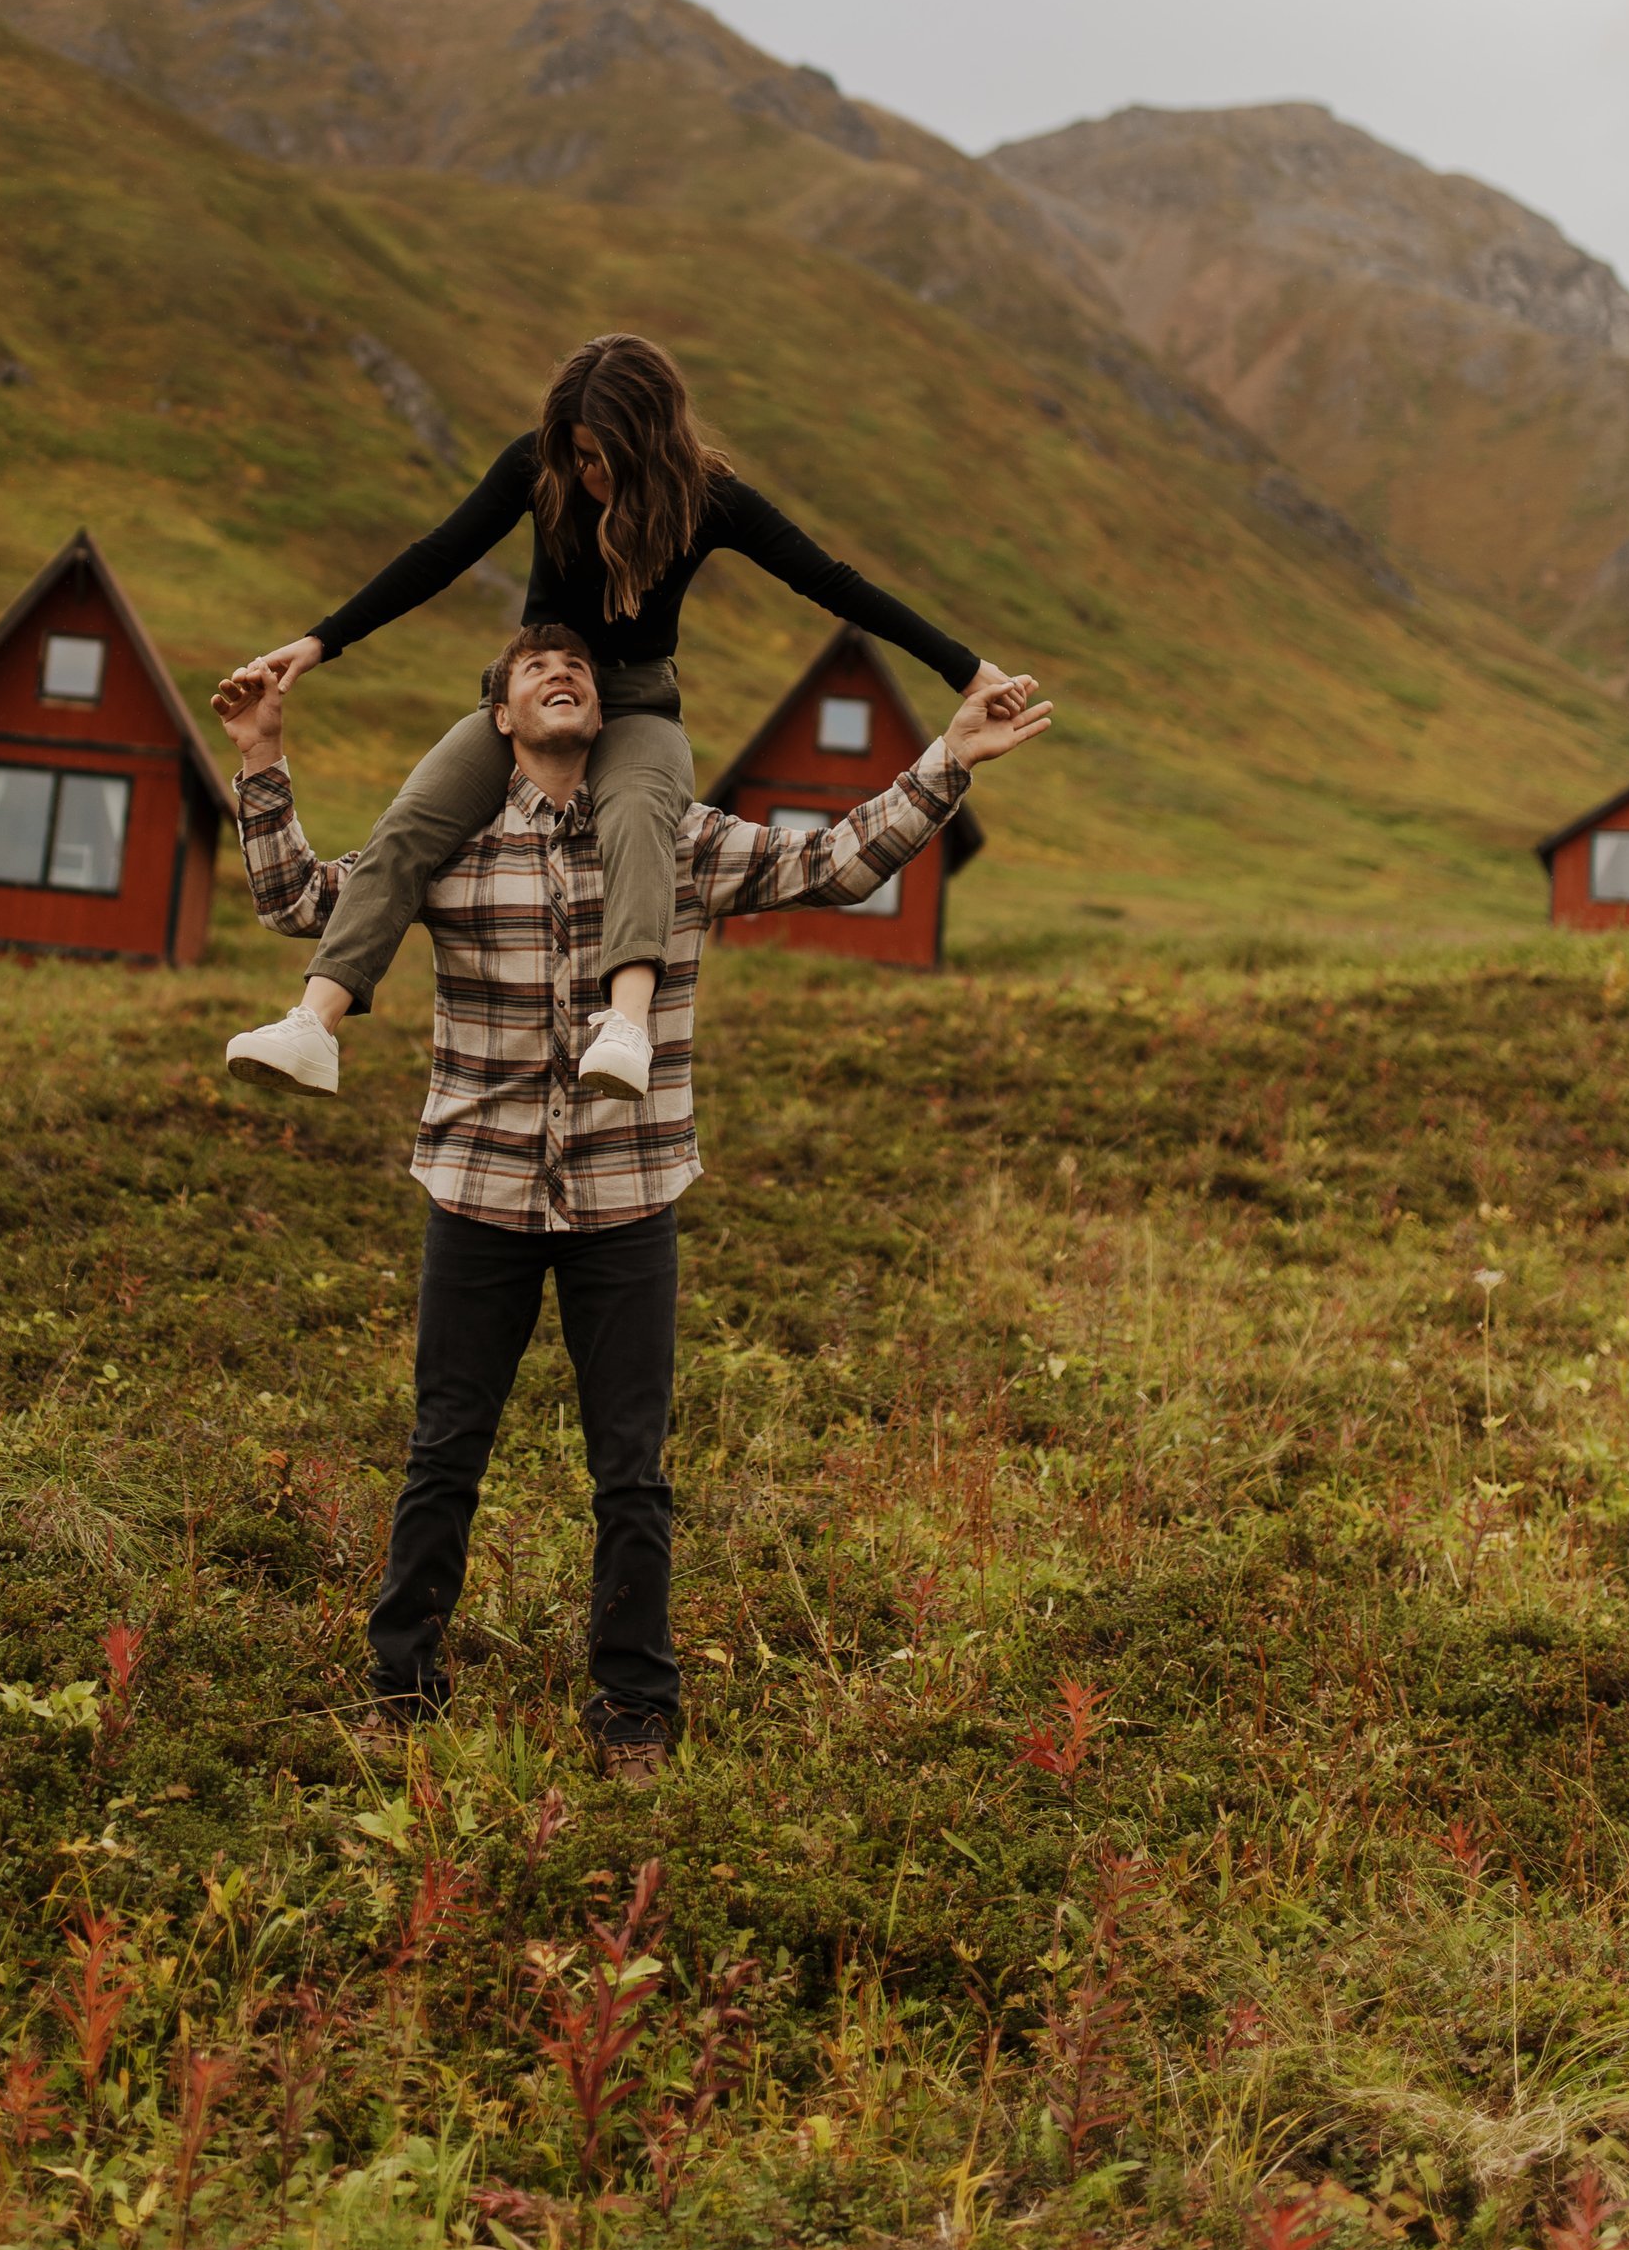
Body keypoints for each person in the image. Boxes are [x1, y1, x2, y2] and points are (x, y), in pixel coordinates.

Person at [210, 621, 1051, 1782]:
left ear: (606, 709)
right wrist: (261, 754)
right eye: (530, 669)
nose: (561, 673)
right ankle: (400, 1691)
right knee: (444, 1452)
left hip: (626, 1198)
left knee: (633, 1468)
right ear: (499, 716)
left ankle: (633, 1713)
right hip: (478, 1193)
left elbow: (838, 862)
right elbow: (302, 902)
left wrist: (948, 755)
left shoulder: (677, 841)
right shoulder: (447, 843)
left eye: (579, 668)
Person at [220, 332, 1025, 1099]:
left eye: (601, 457)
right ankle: (314, 1027)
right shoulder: (541, 469)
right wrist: (324, 640)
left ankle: (627, 1026)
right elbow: (440, 551)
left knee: (640, 811)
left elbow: (833, 579)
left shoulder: (709, 500)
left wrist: (965, 669)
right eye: (576, 452)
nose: (585, 470)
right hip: (525, 695)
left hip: (637, 702)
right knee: (411, 819)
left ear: (650, 450)